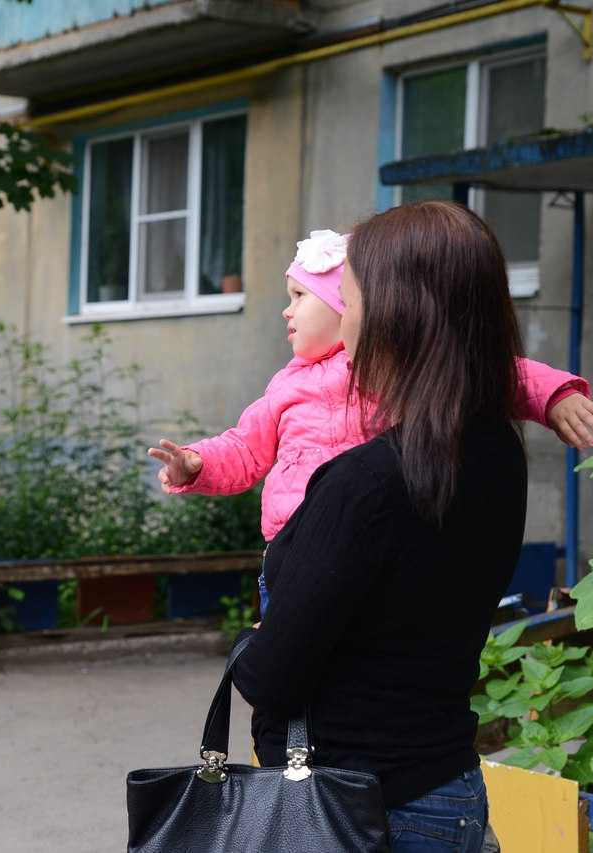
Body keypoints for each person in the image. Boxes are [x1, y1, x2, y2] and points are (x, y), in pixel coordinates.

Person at [227, 200, 538, 850]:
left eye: (349, 297)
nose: (344, 321)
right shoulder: (496, 451)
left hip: (359, 811)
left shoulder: (368, 483)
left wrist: (254, 644)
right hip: (448, 789)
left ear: (397, 312)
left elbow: (272, 674)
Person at [148, 228, 593, 617]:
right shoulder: (284, 387)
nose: (286, 311)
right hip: (294, 555)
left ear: (345, 303)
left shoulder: (389, 366)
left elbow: (489, 372)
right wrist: (197, 463)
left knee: (353, 661)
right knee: (289, 669)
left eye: (299, 297)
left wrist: (554, 395)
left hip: (376, 546)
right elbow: (246, 448)